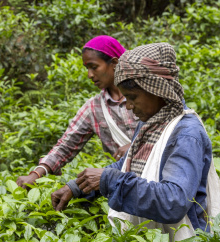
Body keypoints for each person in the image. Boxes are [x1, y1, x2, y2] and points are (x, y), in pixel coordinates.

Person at [71, 43, 220, 239]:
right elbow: (128, 164)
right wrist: (77, 187)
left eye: (132, 97)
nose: (128, 106)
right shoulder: (151, 123)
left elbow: (174, 202)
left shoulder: (186, 134)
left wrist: (109, 180)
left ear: (157, 90)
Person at [16, 35, 138, 209]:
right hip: (125, 186)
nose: (89, 75)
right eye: (87, 68)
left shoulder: (145, 94)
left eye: (94, 67)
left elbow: (168, 128)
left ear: (115, 63)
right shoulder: (94, 108)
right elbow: (66, 146)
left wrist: (135, 145)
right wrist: (37, 173)